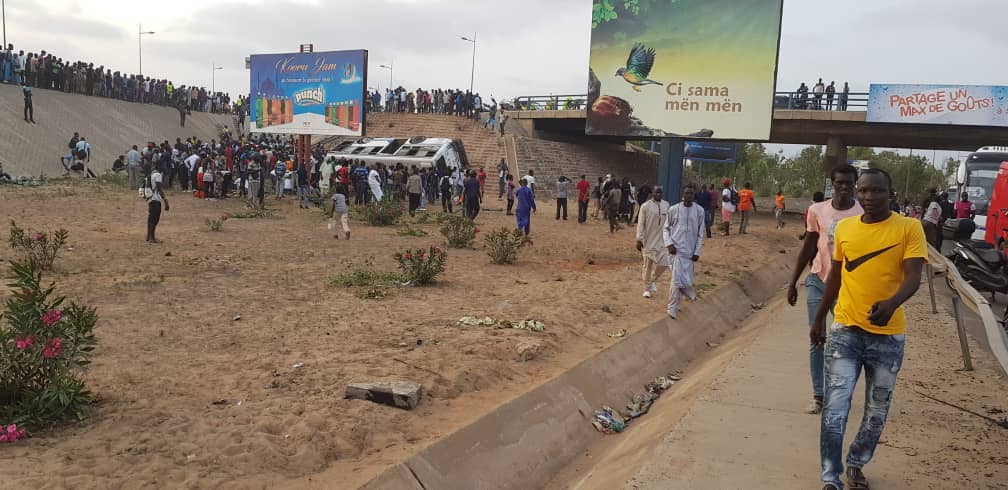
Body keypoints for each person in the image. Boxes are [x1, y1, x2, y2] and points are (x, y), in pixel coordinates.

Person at [812, 168, 926, 490]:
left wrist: (892, 303)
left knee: (877, 411)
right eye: (863, 191)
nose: (869, 197)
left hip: (888, 337)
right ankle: (830, 477)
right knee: (836, 406)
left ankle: (857, 461)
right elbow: (836, 275)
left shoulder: (909, 228)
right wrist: (820, 317)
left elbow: (914, 276)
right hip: (845, 329)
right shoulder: (844, 228)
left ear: (891, 193)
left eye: (877, 191)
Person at [787, 164, 862, 415]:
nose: (844, 187)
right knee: (816, 338)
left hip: (847, 287)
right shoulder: (818, 210)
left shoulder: (863, 214)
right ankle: (818, 396)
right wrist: (794, 281)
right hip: (818, 280)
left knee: (844, 342)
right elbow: (809, 246)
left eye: (848, 183)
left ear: (855, 184)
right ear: (832, 183)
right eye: (839, 182)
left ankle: (839, 393)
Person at [663, 184, 704, 319]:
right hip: (675, 251)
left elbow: (700, 233)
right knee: (676, 280)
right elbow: (666, 229)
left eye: (691, 193)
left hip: (690, 252)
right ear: (683, 194)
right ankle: (672, 307)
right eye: (687, 193)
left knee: (684, 280)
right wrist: (669, 244)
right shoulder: (674, 209)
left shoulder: (699, 211)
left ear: (694, 195)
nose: (689, 196)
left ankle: (687, 295)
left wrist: (697, 251)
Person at [636, 186, 671, 299]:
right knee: (648, 266)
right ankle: (647, 289)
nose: (659, 194)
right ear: (652, 193)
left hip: (662, 241)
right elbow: (640, 223)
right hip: (648, 241)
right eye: (657, 192)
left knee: (665, 263)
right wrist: (639, 239)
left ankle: (652, 280)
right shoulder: (645, 206)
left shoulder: (666, 205)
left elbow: (669, 223)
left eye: (660, 192)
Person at [145, 163, 169, 243]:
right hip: (156, 199)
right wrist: (165, 200)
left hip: (150, 198)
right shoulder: (158, 175)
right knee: (155, 219)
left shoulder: (152, 174)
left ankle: (149, 236)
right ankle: (152, 237)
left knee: (151, 218)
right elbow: (159, 188)